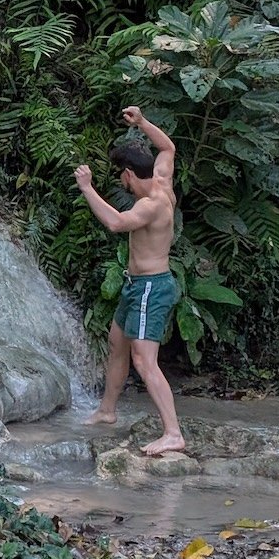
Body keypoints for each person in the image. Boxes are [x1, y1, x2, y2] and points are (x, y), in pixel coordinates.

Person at [74, 106, 184, 456]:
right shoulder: (162, 178)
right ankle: (107, 411)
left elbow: (117, 223)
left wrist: (87, 188)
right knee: (117, 341)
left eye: (118, 178)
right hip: (136, 285)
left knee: (144, 360)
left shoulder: (151, 205)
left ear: (127, 175)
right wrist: (143, 123)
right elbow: (168, 149)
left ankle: (173, 433)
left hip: (152, 287)